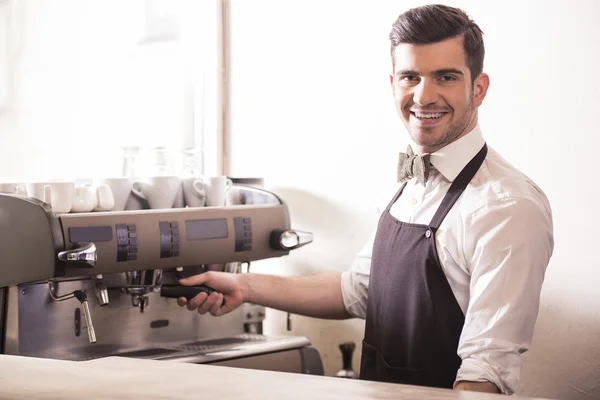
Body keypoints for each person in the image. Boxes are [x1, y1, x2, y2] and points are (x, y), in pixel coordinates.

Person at [176, 4, 554, 395]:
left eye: (446, 76)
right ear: (393, 83)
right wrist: (244, 287)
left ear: (478, 88)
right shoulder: (410, 182)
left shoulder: (507, 206)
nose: (424, 95)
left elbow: (485, 372)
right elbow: (356, 291)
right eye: (411, 77)